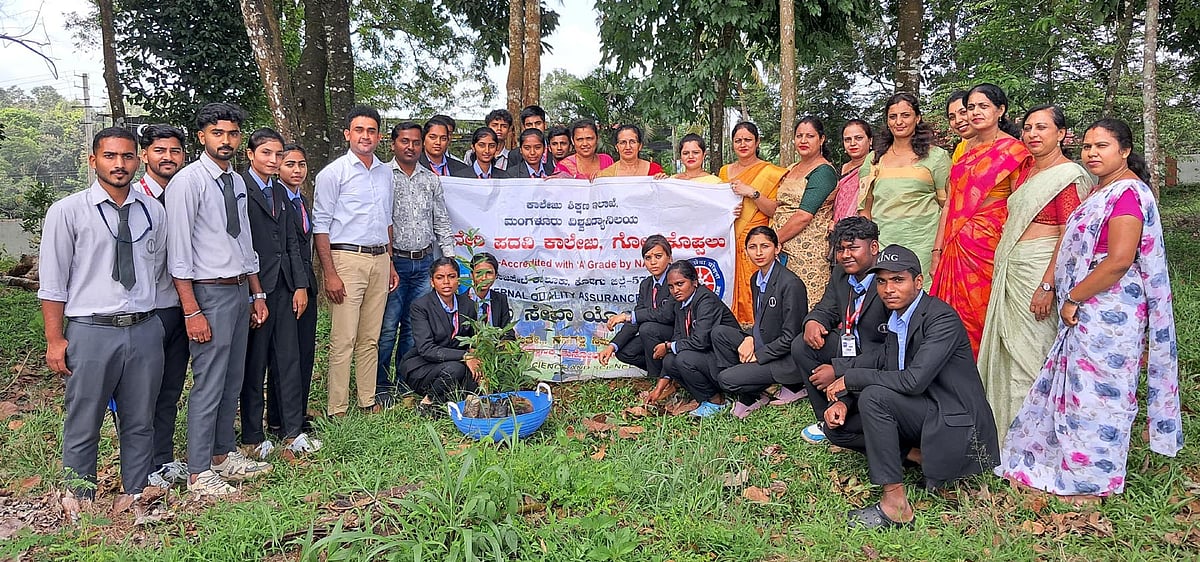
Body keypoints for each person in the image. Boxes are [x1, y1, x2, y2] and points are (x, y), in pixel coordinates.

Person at [997, 119, 1180, 503]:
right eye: (1087, 147)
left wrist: (1073, 297)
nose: (1092, 153)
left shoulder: (1127, 194)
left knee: (1102, 399)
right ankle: (1070, 468)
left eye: (1102, 146)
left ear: (1125, 150)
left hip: (1111, 314)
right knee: (1079, 393)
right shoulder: (1102, 190)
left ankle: (1094, 483)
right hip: (1090, 311)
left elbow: (1119, 260)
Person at [821, 244, 999, 529]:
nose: (888, 289)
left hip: (955, 421)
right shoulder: (897, 317)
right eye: (882, 281)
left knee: (874, 398)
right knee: (836, 426)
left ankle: (896, 506)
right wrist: (844, 399)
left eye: (897, 280)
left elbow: (913, 381)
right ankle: (919, 455)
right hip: (923, 410)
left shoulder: (940, 318)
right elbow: (881, 363)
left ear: (918, 282)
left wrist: (852, 379)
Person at [40, 127, 168, 519]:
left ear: (138, 160)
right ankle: (80, 499)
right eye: (110, 156)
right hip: (91, 330)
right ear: (93, 160)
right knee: (84, 418)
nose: (119, 164)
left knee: (140, 418)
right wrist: (55, 339)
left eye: (127, 156)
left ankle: (136, 494)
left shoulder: (153, 211)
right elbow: (53, 282)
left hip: (143, 328)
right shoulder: (68, 211)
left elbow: (157, 269)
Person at [165, 102, 272, 495]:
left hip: (239, 289)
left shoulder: (236, 181)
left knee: (232, 377)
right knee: (209, 381)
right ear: (202, 137)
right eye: (217, 133)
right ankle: (198, 471)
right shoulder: (188, 182)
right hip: (207, 292)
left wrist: (256, 292)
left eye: (232, 133)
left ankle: (222, 454)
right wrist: (191, 309)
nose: (225, 140)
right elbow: (178, 253)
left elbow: (244, 242)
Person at [978, 106, 1090, 440]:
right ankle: (1002, 437)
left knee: (1033, 355)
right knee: (1007, 354)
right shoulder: (1028, 174)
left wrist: (1048, 284)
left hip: (1039, 272)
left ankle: (1035, 441)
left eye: (1042, 127)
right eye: (1027, 128)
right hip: (1013, 269)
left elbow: (1069, 236)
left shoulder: (1068, 175)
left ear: (1061, 133)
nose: (1032, 134)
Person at [931, 83, 1033, 357]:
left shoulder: (1015, 151)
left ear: (1000, 110)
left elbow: (1020, 204)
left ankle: (985, 371)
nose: (975, 112)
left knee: (983, 312)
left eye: (983, 106)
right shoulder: (963, 149)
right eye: (971, 107)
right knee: (950, 316)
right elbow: (951, 203)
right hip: (956, 244)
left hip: (991, 245)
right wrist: (937, 251)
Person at [313, 106, 400, 418]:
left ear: (379, 136)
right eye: (359, 130)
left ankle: (367, 400)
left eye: (371, 130)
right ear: (347, 134)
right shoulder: (333, 174)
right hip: (347, 259)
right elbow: (321, 225)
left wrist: (390, 262)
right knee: (344, 338)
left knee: (370, 337)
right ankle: (337, 407)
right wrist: (330, 273)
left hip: (380, 259)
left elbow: (387, 220)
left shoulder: (385, 173)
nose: (366, 136)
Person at [239, 128, 309, 459]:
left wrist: (299, 285)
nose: (273, 160)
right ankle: (253, 435)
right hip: (254, 288)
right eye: (266, 153)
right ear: (250, 154)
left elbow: (292, 242)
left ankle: (292, 431)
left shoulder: (280, 191)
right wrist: (255, 293)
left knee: (288, 358)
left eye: (278, 154)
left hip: (284, 286)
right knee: (255, 363)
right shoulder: (241, 187)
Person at [790, 217, 889, 444]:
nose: (845, 255)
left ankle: (850, 412)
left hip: (880, 357)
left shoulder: (888, 282)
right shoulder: (841, 274)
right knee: (802, 345)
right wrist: (813, 321)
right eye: (840, 249)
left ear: (874, 247)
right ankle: (827, 416)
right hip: (850, 345)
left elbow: (890, 348)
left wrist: (838, 368)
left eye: (853, 248)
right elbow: (827, 306)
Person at [377, 121, 455, 403]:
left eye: (416, 142)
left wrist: (448, 259)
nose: (410, 147)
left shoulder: (431, 180)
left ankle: (405, 379)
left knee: (413, 327)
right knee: (388, 327)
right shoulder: (382, 177)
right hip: (393, 263)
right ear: (393, 143)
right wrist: (387, 262)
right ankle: (380, 384)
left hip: (424, 264)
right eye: (404, 141)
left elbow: (441, 221)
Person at [136, 124, 191, 489]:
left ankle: (164, 458)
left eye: (174, 151)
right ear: (145, 155)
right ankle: (141, 466)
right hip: (146, 310)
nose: (167, 157)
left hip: (180, 306)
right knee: (143, 392)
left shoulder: (184, 194)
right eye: (159, 150)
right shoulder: (135, 199)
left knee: (171, 389)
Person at [713, 226, 807, 419]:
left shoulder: (791, 284)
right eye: (752, 247)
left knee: (725, 379)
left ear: (777, 248)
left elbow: (792, 337)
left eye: (765, 246)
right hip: (764, 340)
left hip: (784, 358)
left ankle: (759, 391)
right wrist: (750, 339)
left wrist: (758, 355)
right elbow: (761, 321)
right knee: (719, 333)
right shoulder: (756, 278)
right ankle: (751, 383)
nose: (758, 252)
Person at [858, 93, 950, 289]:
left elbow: (948, 206)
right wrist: (871, 247)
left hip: (924, 245)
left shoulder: (937, 157)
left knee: (921, 296)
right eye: (893, 117)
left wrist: (937, 250)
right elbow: (865, 209)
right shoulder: (873, 159)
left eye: (905, 115)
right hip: (884, 245)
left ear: (917, 118)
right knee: (887, 295)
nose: (899, 122)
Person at [719, 121, 787, 325]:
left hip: (756, 241)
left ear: (757, 142)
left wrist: (752, 193)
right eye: (738, 140)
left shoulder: (770, 173)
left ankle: (758, 330)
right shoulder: (724, 172)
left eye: (748, 140)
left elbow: (774, 210)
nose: (743, 144)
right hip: (729, 241)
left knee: (755, 288)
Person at [273, 143, 319, 441]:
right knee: (285, 356)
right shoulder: (276, 199)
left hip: (306, 282)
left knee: (305, 352)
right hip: (287, 285)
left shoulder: (301, 199)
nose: (297, 170)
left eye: (301, 164)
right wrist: (297, 286)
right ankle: (282, 420)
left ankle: (298, 412)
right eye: (290, 164)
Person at [656, 260, 740, 417]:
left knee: (683, 358)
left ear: (694, 281)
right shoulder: (680, 303)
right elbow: (679, 336)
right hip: (708, 357)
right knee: (670, 361)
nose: (675, 290)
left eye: (680, 284)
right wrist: (660, 385)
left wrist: (668, 346)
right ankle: (705, 398)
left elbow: (701, 341)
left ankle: (717, 402)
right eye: (671, 286)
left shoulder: (706, 300)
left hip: (727, 361)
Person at [598, 235, 676, 403]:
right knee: (624, 351)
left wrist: (627, 317)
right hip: (654, 334)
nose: (653, 262)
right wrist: (612, 345)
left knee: (647, 328)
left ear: (670, 258)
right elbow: (637, 317)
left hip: (677, 334)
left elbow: (666, 314)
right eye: (648, 258)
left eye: (658, 256)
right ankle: (669, 375)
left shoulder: (675, 279)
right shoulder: (646, 284)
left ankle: (660, 383)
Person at [401, 257, 482, 417]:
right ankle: (427, 402)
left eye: (451, 276)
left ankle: (456, 406)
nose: (446, 282)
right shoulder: (421, 306)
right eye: (440, 277)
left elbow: (473, 340)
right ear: (432, 282)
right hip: (423, 366)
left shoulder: (468, 305)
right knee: (456, 369)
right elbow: (426, 349)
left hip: (456, 363)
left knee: (475, 376)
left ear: (458, 279)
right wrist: (465, 356)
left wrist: (476, 359)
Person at [771, 116, 838, 303]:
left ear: (821, 139)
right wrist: (753, 194)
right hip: (783, 249)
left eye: (810, 136)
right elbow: (778, 207)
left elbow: (804, 216)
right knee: (784, 305)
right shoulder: (792, 168)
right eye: (799, 136)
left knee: (805, 304)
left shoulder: (823, 171)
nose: (803, 140)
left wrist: (772, 241)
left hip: (808, 254)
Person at [832, 119, 872, 224]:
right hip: (836, 228)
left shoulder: (875, 168)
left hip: (864, 227)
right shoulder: (838, 170)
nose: (852, 143)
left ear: (870, 140)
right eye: (847, 140)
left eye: (858, 138)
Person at [468, 253, 514, 333]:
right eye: (479, 273)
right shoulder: (462, 301)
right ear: (471, 275)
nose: (484, 278)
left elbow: (507, 331)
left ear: (496, 276)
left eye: (489, 273)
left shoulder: (500, 299)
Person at [597, 124, 664, 177]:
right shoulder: (606, 175)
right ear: (616, 147)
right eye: (623, 142)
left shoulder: (655, 170)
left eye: (632, 142)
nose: (628, 147)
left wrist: (664, 180)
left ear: (640, 146)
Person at [519, 105, 555, 169]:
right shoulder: (514, 155)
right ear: (523, 128)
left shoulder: (555, 148)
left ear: (545, 125)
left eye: (538, 123)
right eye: (529, 125)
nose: (534, 127)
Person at [945, 90, 976, 163]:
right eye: (952, 117)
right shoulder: (960, 150)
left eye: (963, 112)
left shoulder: (1000, 146)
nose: (957, 121)